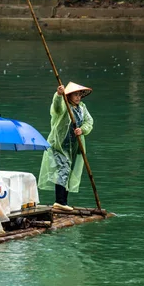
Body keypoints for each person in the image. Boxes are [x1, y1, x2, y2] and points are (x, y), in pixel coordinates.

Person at [38, 81, 94, 211]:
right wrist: (58, 95)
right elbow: (56, 108)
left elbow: (89, 121)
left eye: (79, 95)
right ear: (68, 96)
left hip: (74, 146)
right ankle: (60, 201)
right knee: (63, 169)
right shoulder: (64, 105)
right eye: (75, 95)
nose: (78, 97)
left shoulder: (82, 107)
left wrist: (82, 130)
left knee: (68, 171)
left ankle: (64, 202)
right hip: (59, 145)